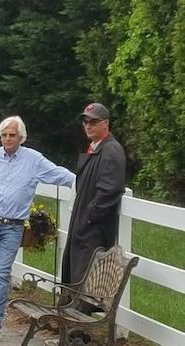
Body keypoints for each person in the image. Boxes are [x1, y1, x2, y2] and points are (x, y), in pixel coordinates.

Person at [0, 115, 75, 343]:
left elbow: (59, 174)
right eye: (4, 135)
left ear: (21, 137)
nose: (7, 139)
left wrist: (85, 180)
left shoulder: (34, 160)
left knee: (1, 274)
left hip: (12, 228)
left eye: (12, 135)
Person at [61, 103, 126, 294]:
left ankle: (79, 322)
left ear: (106, 123)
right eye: (85, 121)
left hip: (93, 231)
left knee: (85, 281)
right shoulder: (96, 147)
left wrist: (89, 217)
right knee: (76, 278)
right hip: (83, 228)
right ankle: (71, 320)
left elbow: (110, 190)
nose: (88, 126)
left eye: (94, 122)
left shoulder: (111, 150)